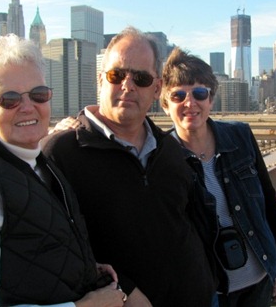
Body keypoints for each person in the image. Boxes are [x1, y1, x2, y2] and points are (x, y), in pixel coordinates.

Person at [0, 34, 127, 307]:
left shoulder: (39, 165)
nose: (27, 107)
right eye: (8, 99)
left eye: (38, 95)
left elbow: (30, 250)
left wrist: (84, 268)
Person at [42, 26, 217, 307]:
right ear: (100, 81)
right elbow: (58, 246)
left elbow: (189, 220)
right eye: (117, 75)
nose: (128, 85)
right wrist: (124, 287)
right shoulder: (61, 153)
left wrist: (208, 279)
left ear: (156, 87)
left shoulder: (170, 150)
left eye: (141, 78)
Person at [160, 47, 276, 307]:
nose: (190, 103)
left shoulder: (240, 136)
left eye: (199, 93)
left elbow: (268, 206)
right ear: (164, 104)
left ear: (211, 99)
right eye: (178, 95)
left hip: (259, 280)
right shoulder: (161, 159)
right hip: (207, 291)